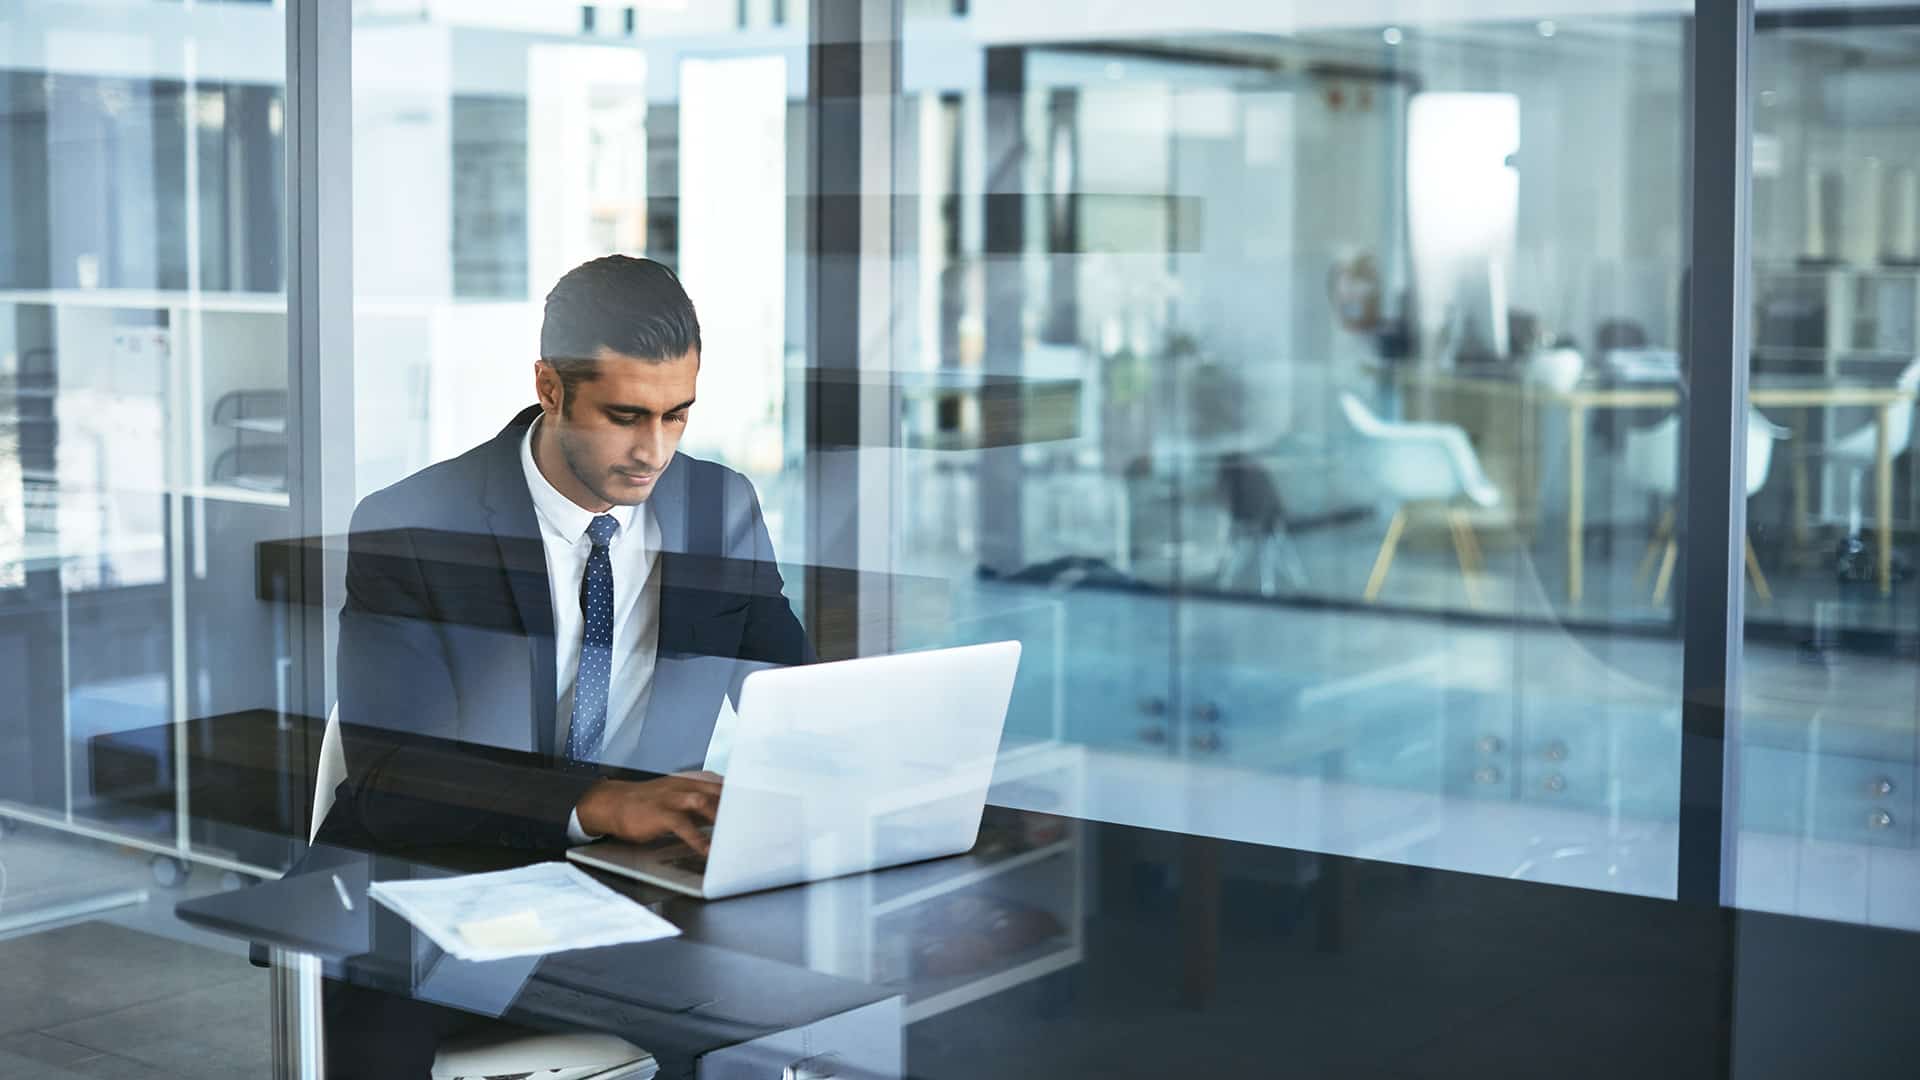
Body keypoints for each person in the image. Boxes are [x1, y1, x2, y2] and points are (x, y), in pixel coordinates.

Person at [319, 254, 810, 1077]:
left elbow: (791, 699)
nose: (654, 451)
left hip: (640, 886)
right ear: (550, 388)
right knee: (373, 1037)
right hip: (439, 877)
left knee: (785, 1018)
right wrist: (603, 802)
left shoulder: (716, 509)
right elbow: (393, 776)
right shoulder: (413, 523)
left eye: (678, 416)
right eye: (625, 416)